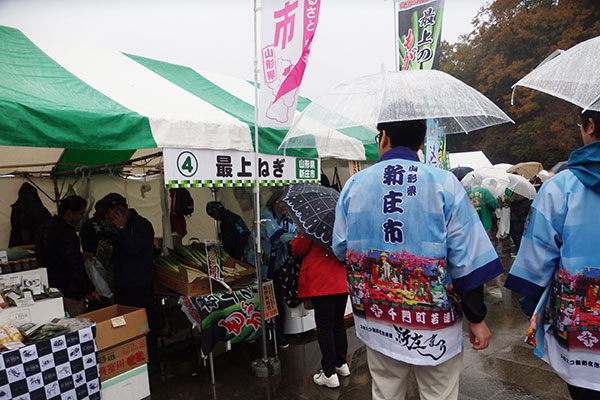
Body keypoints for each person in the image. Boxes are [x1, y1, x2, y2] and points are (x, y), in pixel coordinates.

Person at [332, 120, 503, 400]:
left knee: (386, 392)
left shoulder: (354, 185)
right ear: (421, 142)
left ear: (384, 137)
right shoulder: (444, 183)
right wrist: (476, 318)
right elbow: (468, 258)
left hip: (377, 318)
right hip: (433, 324)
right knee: (439, 394)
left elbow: (341, 248)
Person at [505, 110, 600, 399]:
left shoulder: (560, 188)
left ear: (590, 125)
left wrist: (530, 302)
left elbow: (535, 261)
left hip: (582, 338)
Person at [103, 193, 159, 372]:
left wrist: (121, 229)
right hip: (123, 286)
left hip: (140, 286)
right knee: (127, 327)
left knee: (144, 325)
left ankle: (151, 364)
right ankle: (133, 363)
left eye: (111, 213)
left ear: (120, 210)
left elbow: (134, 249)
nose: (109, 218)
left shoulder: (142, 225)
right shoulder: (116, 228)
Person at [291, 231, 349, 388]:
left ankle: (329, 373)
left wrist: (298, 237)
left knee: (325, 328)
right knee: (338, 323)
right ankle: (341, 363)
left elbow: (298, 248)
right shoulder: (341, 225)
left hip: (322, 282)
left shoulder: (313, 226)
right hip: (340, 279)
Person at [247, 189, 296, 348]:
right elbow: (275, 233)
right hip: (260, 264)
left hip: (277, 265)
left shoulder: (288, 216)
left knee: (274, 299)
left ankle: (278, 333)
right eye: (280, 202)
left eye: (286, 202)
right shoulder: (264, 213)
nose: (283, 206)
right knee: (257, 299)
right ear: (273, 202)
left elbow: (294, 232)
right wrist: (294, 241)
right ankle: (255, 333)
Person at [35, 195, 99, 316]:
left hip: (48, 288)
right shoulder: (67, 233)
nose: (81, 217)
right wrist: (90, 288)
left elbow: (54, 254)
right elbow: (74, 265)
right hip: (69, 291)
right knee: (75, 323)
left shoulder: (45, 226)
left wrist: (78, 254)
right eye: (80, 214)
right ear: (69, 213)